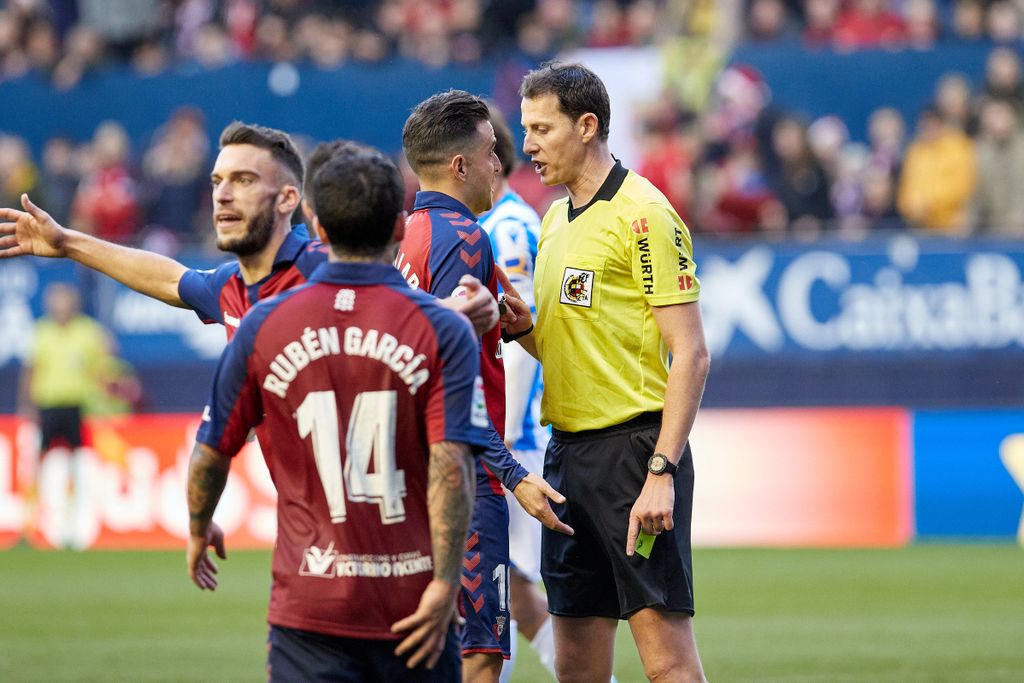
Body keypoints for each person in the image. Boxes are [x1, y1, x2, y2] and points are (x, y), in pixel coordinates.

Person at [187, 149, 486, 681]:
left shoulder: (263, 325)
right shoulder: (444, 329)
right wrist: (445, 582)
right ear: (400, 225)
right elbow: (451, 468)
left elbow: (210, 454)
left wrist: (197, 525)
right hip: (413, 605)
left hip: (310, 608)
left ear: (316, 225)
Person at [504, 62, 711, 682]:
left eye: (542, 128)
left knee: (667, 663)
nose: (529, 144)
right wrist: (522, 329)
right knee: (577, 670)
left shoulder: (644, 214)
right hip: (565, 458)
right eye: (525, 128)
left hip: (634, 457)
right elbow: (571, 348)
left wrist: (661, 472)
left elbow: (692, 353)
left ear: (587, 125)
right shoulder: (554, 220)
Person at [0, 123, 498, 345]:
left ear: (288, 201)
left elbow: (395, 308)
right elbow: (171, 280)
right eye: (217, 182)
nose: (222, 195)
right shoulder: (232, 288)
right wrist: (67, 243)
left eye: (242, 181)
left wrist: (457, 309)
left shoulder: (320, 268)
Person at [395, 89, 573, 683]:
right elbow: (454, 388)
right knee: (480, 655)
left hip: (423, 471)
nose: (504, 163)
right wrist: (514, 473)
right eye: (493, 152)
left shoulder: (416, 234)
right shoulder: (468, 239)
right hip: (468, 478)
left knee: (452, 643)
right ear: (461, 165)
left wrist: (509, 321)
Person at [477, 104, 557, 683]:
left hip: (514, 437)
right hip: (517, 436)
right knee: (514, 584)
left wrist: (501, 445)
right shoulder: (512, 220)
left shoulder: (505, 228)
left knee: (491, 579)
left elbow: (517, 330)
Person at [17, 282, 118, 549]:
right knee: (37, 467)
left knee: (78, 467)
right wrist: (27, 406)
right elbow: (31, 369)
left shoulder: (87, 332)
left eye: (64, 301)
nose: (60, 307)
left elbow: (103, 366)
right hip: (48, 405)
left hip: (77, 407)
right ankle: (28, 526)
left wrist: (105, 402)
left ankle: (74, 527)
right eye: (55, 301)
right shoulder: (42, 332)